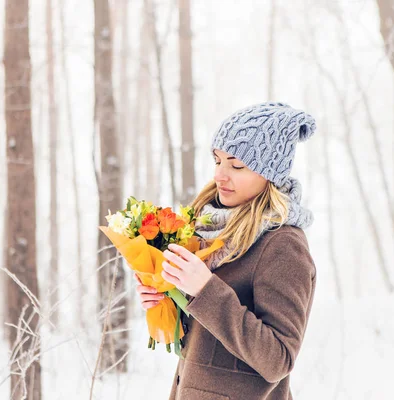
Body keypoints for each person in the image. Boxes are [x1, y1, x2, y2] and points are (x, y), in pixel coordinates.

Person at [135, 102, 317, 399]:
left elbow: (277, 359)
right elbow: (215, 349)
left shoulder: (282, 244)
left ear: (268, 173)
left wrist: (204, 288)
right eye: (218, 161)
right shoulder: (209, 229)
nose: (220, 175)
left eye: (236, 165)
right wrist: (168, 296)